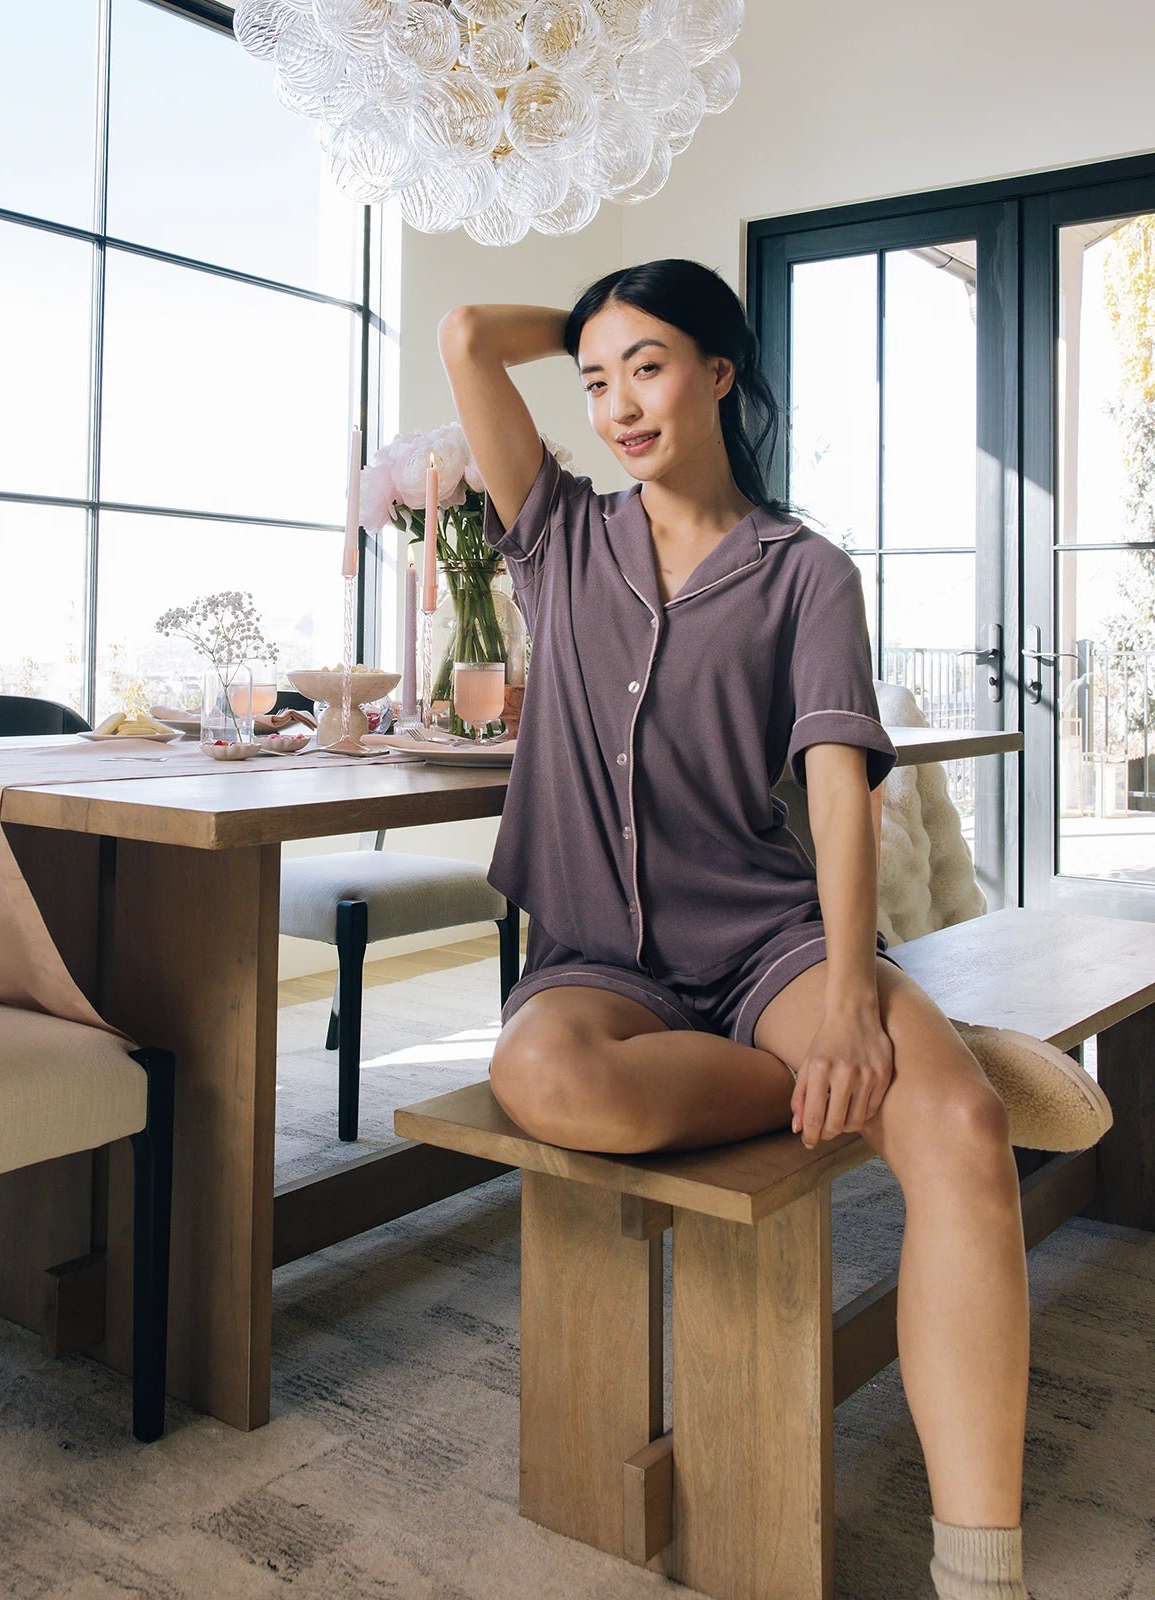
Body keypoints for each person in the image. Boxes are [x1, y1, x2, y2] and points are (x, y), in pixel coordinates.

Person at [437, 258, 1110, 1600]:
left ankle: (984, 1573)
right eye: (595, 378)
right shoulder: (556, 530)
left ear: (720, 372)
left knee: (964, 1134)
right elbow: (465, 334)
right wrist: (604, 310)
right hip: (596, 963)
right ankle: (915, 1059)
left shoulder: (806, 573)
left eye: (651, 365)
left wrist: (853, 996)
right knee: (542, 1079)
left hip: (763, 947)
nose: (618, 403)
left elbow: (838, 790)